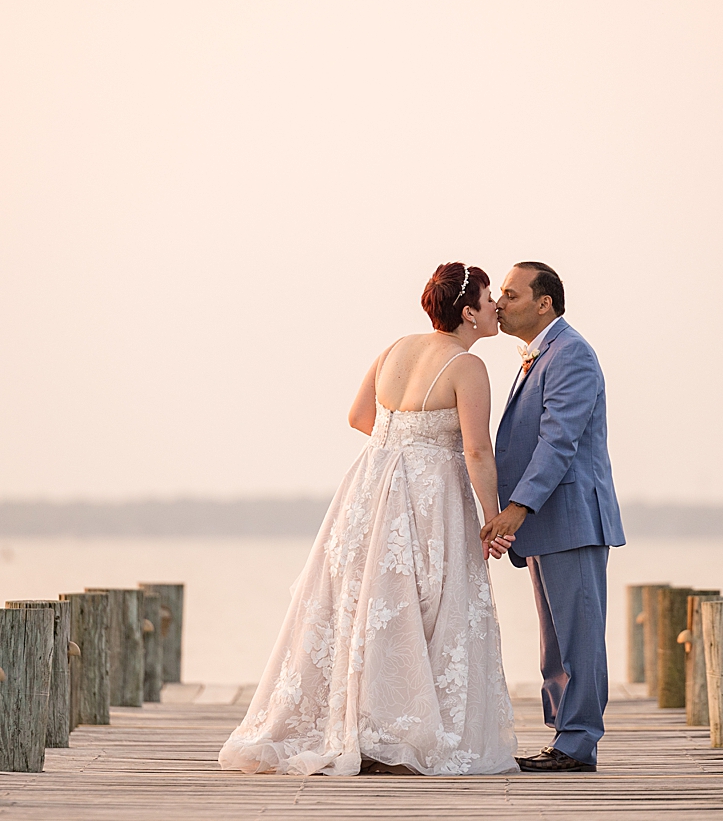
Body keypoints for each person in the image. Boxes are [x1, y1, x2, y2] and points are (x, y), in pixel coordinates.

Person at [219, 262, 519, 776]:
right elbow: (475, 449)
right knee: (426, 602)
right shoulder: (468, 368)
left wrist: (402, 446)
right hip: (429, 496)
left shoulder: (393, 350)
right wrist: (492, 518)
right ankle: (401, 731)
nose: (496, 307)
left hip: (369, 489)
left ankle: (370, 727)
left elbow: (360, 417)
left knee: (367, 604)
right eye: (490, 300)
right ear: (469, 313)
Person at [479, 262, 626, 773]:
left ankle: (578, 741)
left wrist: (517, 508)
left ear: (544, 303)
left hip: (571, 518)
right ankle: (564, 740)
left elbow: (558, 441)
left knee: (579, 636)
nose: (499, 304)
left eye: (511, 295)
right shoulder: (540, 356)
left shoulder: (571, 355)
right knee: (556, 640)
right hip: (546, 523)